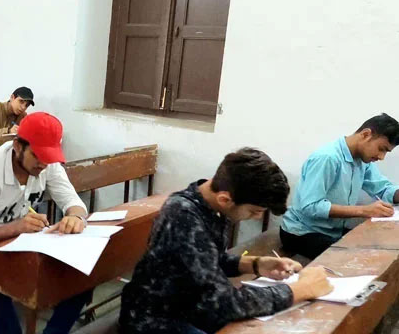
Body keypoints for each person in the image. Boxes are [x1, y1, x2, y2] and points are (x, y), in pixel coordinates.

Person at [119, 148, 333, 334]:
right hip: (156, 320)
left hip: (190, 308)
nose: (258, 217)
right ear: (225, 198)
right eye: (254, 211)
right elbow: (221, 302)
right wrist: (300, 290)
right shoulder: (182, 216)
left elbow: (207, 261)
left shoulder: (209, 205)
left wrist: (255, 264)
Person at [0, 112, 91, 334]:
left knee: (82, 271)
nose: (43, 163)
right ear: (17, 146)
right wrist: (17, 227)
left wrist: (75, 217)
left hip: (15, 241)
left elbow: (74, 202)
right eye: (37, 155)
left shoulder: (47, 165)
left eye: (49, 156)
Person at [281, 113, 399, 259]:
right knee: (359, 259)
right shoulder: (327, 158)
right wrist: (364, 210)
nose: (381, 157)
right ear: (366, 134)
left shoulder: (362, 160)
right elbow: (310, 206)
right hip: (302, 232)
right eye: (381, 149)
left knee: (382, 248)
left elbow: (382, 188)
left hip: (331, 230)